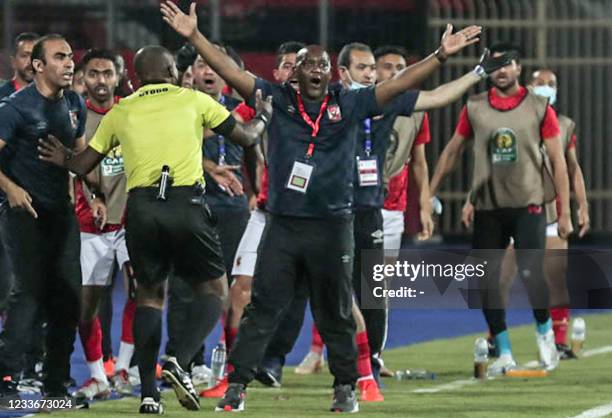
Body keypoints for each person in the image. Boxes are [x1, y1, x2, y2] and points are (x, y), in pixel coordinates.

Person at [161, 1, 515, 412]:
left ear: (331, 73)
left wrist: (441, 56)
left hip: (332, 224)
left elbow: (408, 88)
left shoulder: (351, 103)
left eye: (322, 65)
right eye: (307, 64)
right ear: (294, 71)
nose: (315, 70)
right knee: (263, 307)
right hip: (284, 224)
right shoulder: (275, 98)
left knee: (336, 312)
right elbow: (229, 70)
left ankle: (346, 385)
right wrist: (194, 37)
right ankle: (237, 385)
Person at [38, 44, 271, 414]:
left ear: (135, 77)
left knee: (149, 298)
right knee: (215, 289)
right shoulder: (193, 100)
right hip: (185, 204)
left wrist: (62, 157)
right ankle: (178, 358)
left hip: (142, 209)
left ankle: (148, 395)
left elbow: (83, 165)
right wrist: (264, 116)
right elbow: (244, 137)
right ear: (173, 73)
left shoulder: (122, 110)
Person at [429, 42, 574, 376]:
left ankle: (544, 333)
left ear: (519, 67)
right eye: (494, 65)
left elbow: (558, 161)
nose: (501, 71)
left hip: (529, 205)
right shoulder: (475, 107)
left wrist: (564, 212)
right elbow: (452, 152)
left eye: (506, 64)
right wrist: (429, 194)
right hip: (488, 207)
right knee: (487, 282)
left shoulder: (539, 107)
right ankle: (505, 352)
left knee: (531, 273)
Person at [461, 67, 590, 360]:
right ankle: (495, 337)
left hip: (549, 211)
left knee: (554, 276)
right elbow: (489, 167)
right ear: (527, 85)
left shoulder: (566, 125)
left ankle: (557, 340)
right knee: (501, 276)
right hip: (513, 207)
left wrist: (580, 205)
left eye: (551, 83)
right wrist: (472, 199)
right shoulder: (506, 121)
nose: (545, 87)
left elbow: (571, 168)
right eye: (540, 82)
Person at [0, 34, 87, 402]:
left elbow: (81, 160)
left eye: (70, 56)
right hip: (25, 214)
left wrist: (92, 193)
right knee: (28, 295)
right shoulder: (14, 108)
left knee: (69, 298)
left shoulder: (74, 104)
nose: (70, 63)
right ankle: (6, 378)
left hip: (62, 216)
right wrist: (10, 189)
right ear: (38, 66)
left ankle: (55, 385)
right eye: (60, 57)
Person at [69, 48, 138, 400]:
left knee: (141, 291)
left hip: (130, 218)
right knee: (86, 305)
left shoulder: (133, 112)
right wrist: (89, 198)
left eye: (107, 73)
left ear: (119, 75)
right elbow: (71, 167)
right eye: (93, 73)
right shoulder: (72, 114)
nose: (100, 80)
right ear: (84, 77)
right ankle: (98, 375)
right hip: (88, 223)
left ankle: (124, 368)